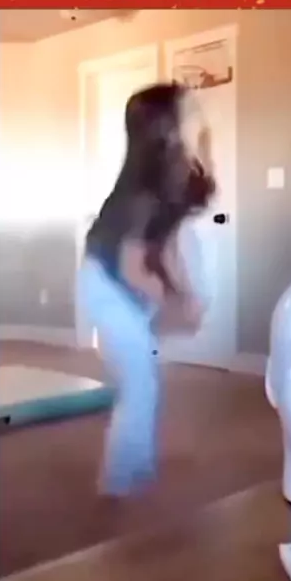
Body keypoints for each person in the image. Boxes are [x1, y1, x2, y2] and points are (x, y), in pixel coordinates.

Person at [77, 82, 215, 496]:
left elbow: (167, 248)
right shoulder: (141, 193)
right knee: (140, 382)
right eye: (191, 111)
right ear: (166, 130)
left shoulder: (175, 178)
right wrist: (171, 303)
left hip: (127, 281)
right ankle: (118, 484)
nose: (201, 116)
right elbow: (131, 266)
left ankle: (139, 468)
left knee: (144, 377)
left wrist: (187, 296)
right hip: (105, 282)